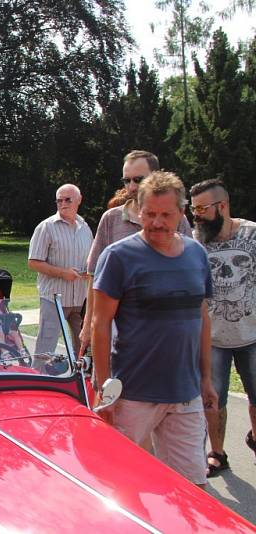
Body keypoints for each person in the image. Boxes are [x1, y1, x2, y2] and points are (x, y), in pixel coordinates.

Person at [92, 171, 217, 488]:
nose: (157, 222)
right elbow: (100, 323)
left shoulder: (196, 254)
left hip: (185, 392)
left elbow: (201, 316)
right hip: (134, 394)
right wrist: (104, 388)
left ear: (181, 213)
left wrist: (205, 378)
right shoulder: (118, 257)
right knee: (123, 484)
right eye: (150, 214)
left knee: (192, 488)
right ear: (138, 209)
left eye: (166, 215)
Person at [80, 150, 193, 355]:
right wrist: (89, 323)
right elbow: (94, 274)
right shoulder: (111, 219)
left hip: (166, 327)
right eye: (126, 180)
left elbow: (190, 270)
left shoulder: (177, 219)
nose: (131, 187)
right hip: (119, 329)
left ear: (156, 178)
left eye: (138, 180)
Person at [189, 178, 256, 477]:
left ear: (223, 205)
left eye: (202, 208)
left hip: (252, 334)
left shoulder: (252, 235)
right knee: (213, 399)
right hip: (212, 338)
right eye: (194, 209)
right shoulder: (195, 241)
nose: (197, 215)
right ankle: (217, 452)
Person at [28, 184, 93, 354]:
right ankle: (39, 378)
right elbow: (33, 262)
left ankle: (81, 379)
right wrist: (63, 273)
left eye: (67, 199)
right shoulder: (46, 227)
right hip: (54, 298)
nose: (63, 203)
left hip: (80, 298)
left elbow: (90, 259)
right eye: (59, 200)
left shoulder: (85, 228)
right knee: (46, 347)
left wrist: (88, 271)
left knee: (84, 346)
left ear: (79, 200)